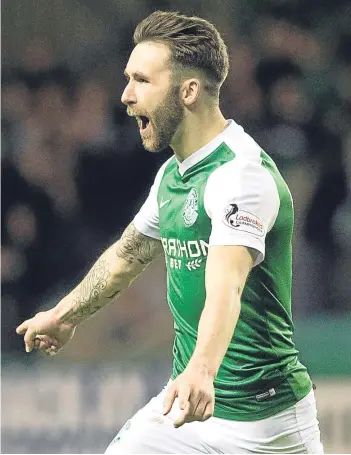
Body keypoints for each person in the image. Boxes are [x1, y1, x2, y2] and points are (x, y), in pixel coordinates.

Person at [16, 11, 324, 454]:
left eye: (141, 80)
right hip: (185, 409)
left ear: (189, 91)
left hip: (266, 425)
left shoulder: (241, 175)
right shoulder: (172, 177)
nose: (125, 96)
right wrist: (64, 317)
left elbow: (227, 286)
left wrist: (202, 369)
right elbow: (127, 255)